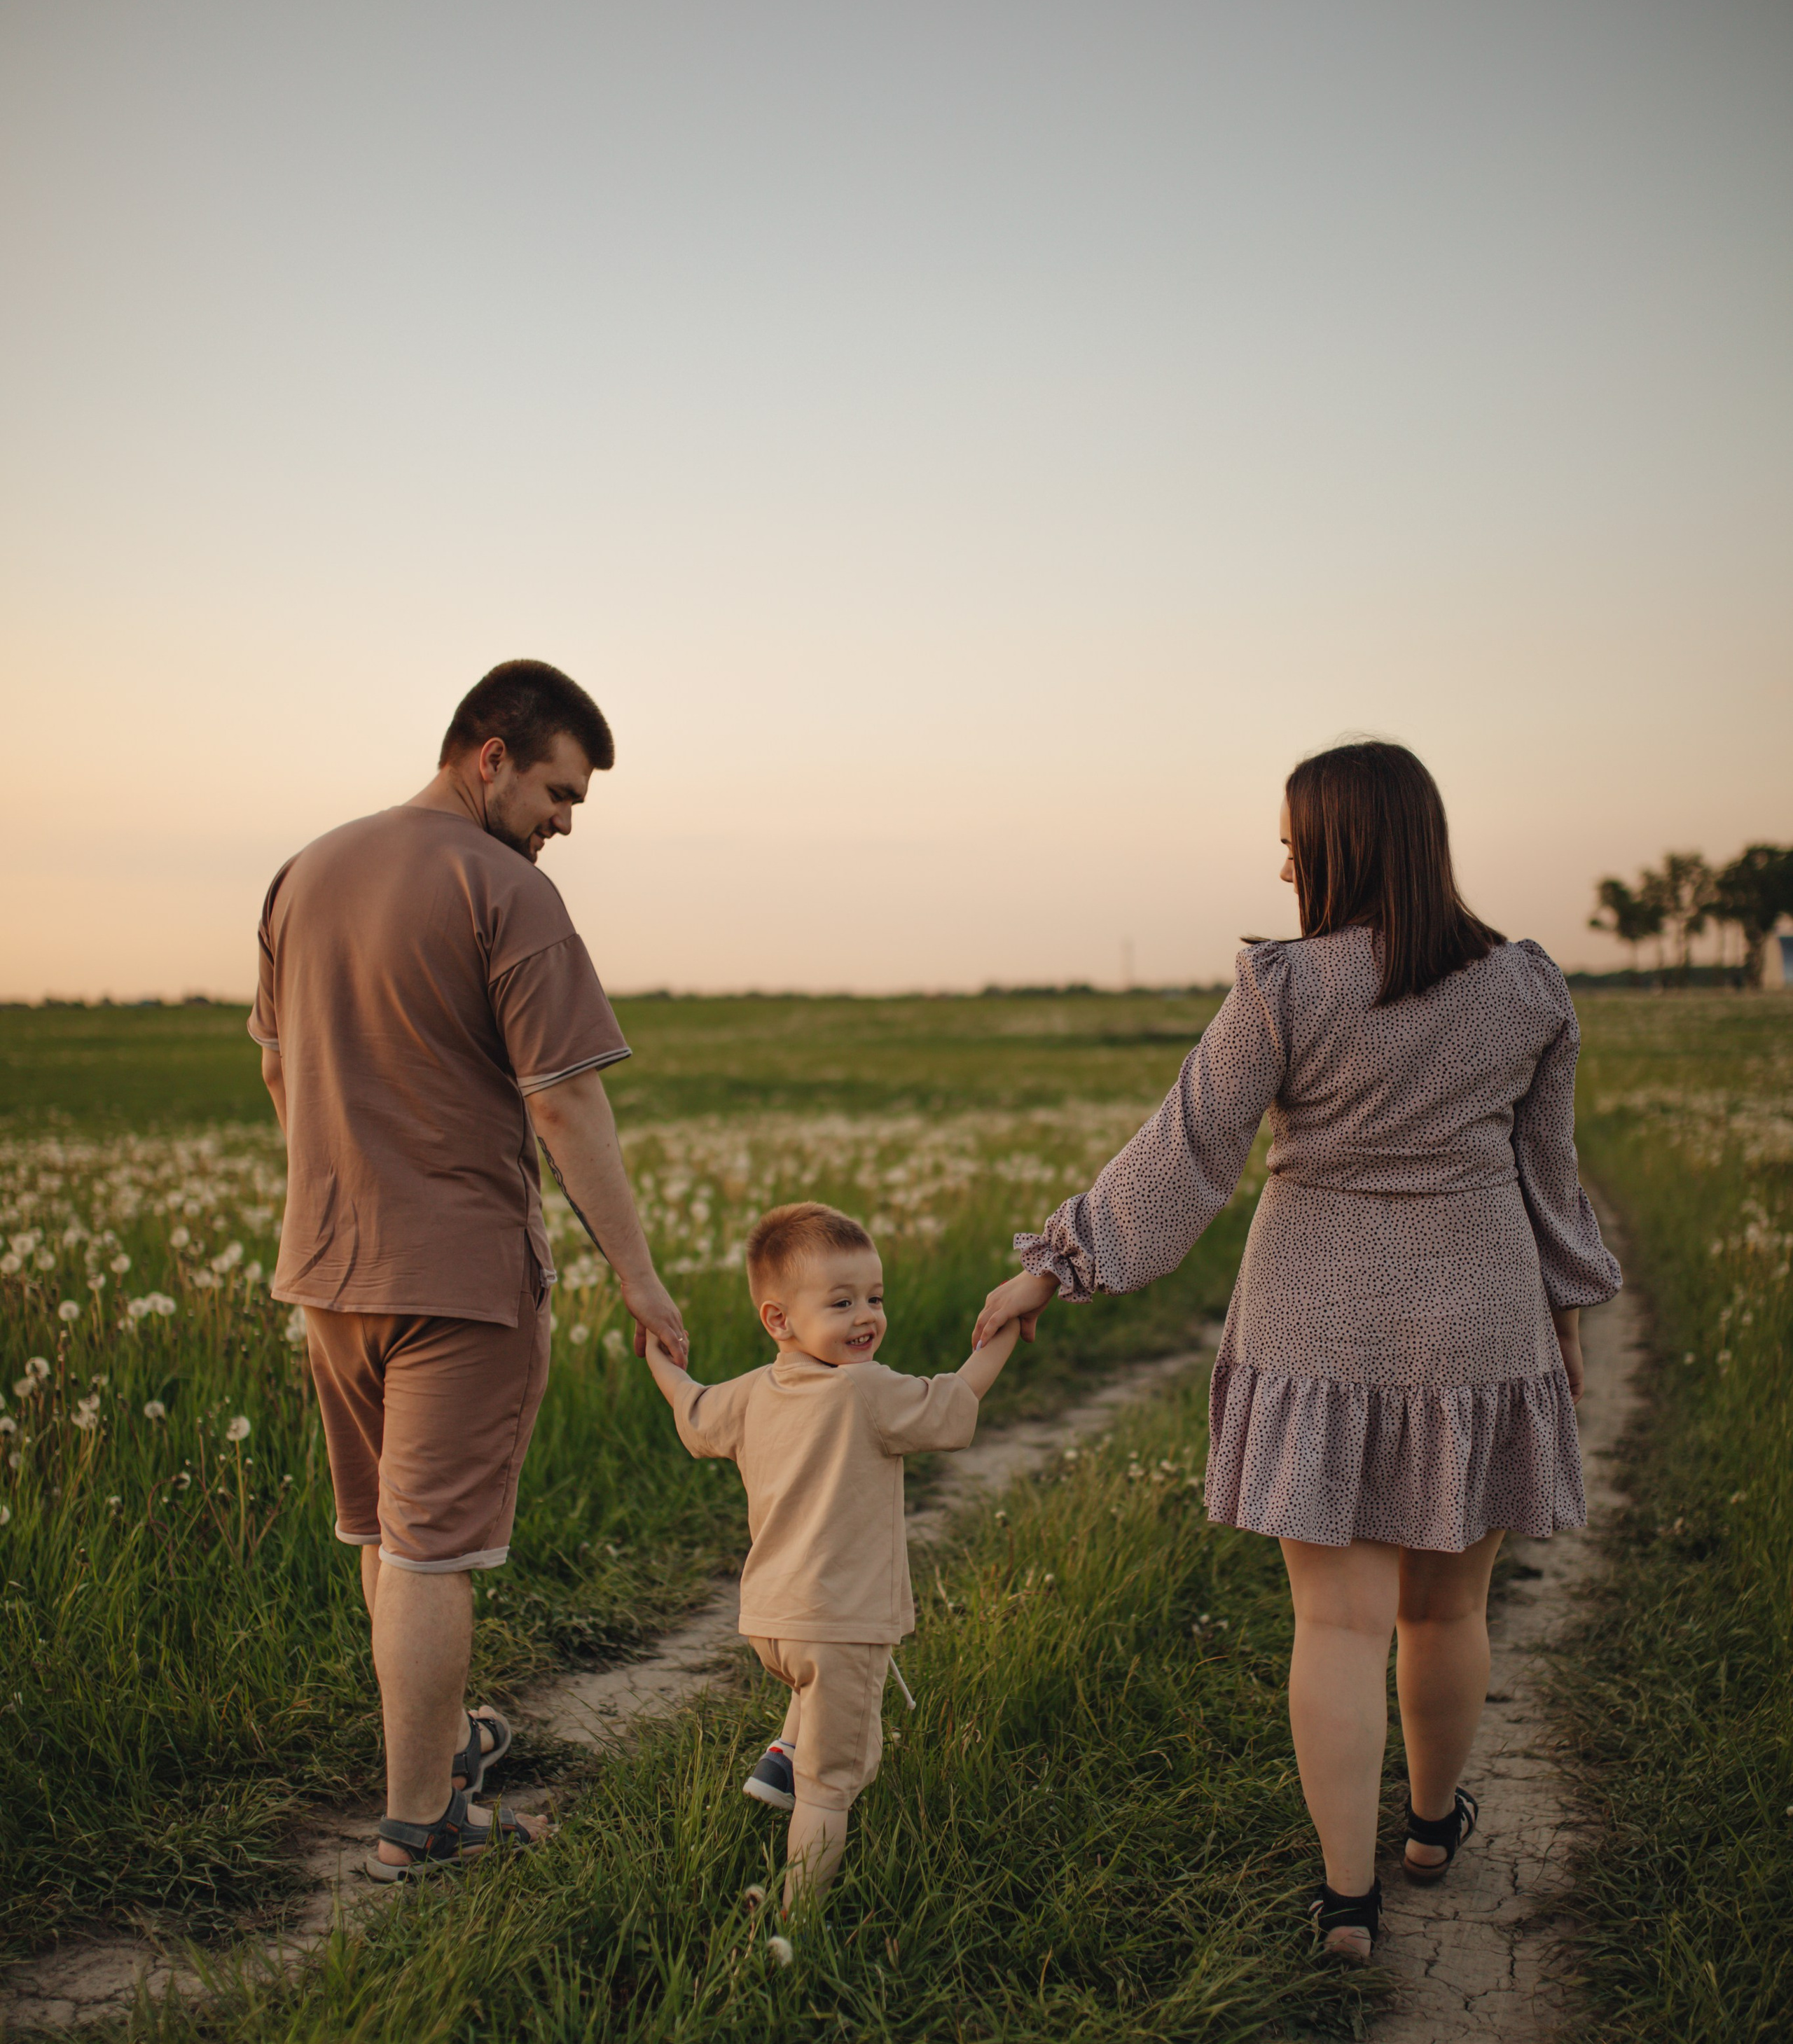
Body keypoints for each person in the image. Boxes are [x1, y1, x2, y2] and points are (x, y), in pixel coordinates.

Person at [974, 740, 1621, 1960]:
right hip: (1480, 1321)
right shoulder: (1531, 987)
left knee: (1336, 1625)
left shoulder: (1286, 988)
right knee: (1449, 1608)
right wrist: (1567, 1317)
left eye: (1293, 839)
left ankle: (1347, 1901)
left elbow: (1188, 1152)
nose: (1282, 863)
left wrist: (1056, 1264)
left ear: (1341, 844)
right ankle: (1432, 1830)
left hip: (1314, 1323)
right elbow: (1552, 1180)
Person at [251, 659, 688, 1881]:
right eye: (559, 792)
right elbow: (566, 1108)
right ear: (488, 755)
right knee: (435, 1549)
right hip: (463, 1277)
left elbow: (280, 1072)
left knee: (387, 1538)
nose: (564, 822)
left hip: (328, 1266)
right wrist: (641, 1279)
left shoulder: (308, 872)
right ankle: (422, 1826)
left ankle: (439, 1754)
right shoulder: (507, 891)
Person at [644, 1202, 1020, 1910]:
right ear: (779, 1320)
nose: (865, 1318)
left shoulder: (752, 1393)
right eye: (842, 1302)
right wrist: (1002, 1336)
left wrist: (656, 1358)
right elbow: (957, 1398)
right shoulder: (866, 1389)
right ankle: (794, 1917)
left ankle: (783, 1758)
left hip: (769, 1621)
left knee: (808, 1696)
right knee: (833, 1786)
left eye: (875, 1298)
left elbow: (691, 1410)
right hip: (841, 1623)